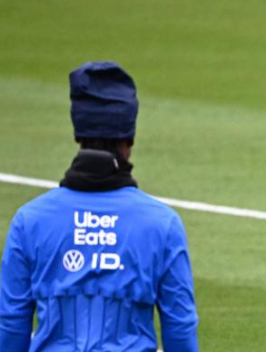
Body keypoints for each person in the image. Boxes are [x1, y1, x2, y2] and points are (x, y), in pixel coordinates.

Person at [0, 62, 199, 352]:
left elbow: (10, 328)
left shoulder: (29, 221)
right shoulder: (162, 224)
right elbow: (180, 331)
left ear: (77, 134)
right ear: (130, 138)